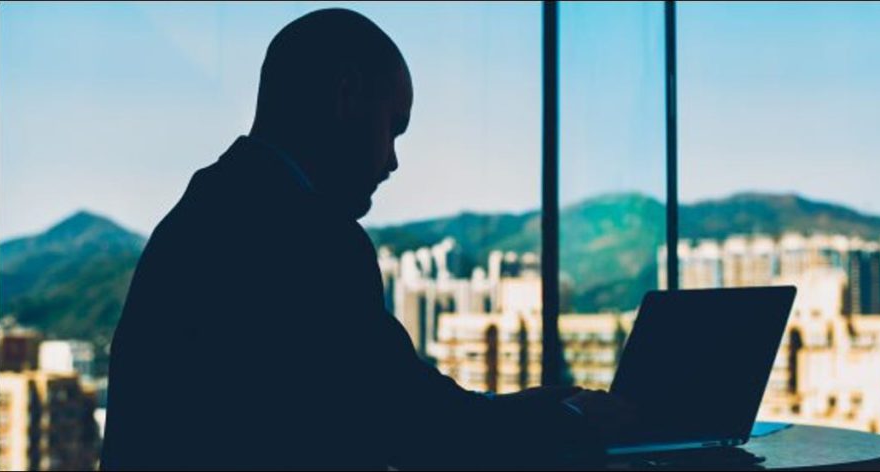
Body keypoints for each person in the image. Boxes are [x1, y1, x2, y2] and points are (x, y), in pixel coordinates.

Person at [100, 9, 630, 470]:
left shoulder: (204, 213)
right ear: (346, 94)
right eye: (393, 128)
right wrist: (568, 415)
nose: (393, 161)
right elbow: (416, 425)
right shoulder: (309, 235)